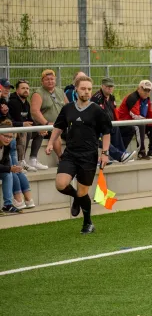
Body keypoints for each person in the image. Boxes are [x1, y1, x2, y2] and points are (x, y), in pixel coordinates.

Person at [46, 75, 112, 234]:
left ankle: (88, 222)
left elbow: (107, 132)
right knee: (61, 184)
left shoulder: (97, 110)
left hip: (88, 156)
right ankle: (76, 197)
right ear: (76, 89)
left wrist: (104, 153)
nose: (87, 92)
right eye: (83, 88)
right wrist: (50, 142)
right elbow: (58, 127)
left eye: (89, 89)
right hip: (70, 154)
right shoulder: (67, 108)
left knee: (84, 192)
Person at [91, 77, 136, 163]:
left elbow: (114, 112)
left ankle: (122, 153)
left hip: (111, 124)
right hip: (99, 127)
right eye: (108, 86)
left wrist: (117, 122)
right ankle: (120, 155)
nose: (110, 88)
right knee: (108, 131)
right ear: (102, 86)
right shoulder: (96, 98)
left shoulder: (112, 97)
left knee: (129, 128)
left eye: (111, 86)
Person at [30, 69, 67, 171]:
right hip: (47, 126)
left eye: (52, 79)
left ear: (55, 80)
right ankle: (61, 158)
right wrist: (47, 123)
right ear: (42, 81)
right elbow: (34, 112)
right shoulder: (38, 93)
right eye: (47, 79)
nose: (50, 81)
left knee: (78, 132)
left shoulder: (60, 91)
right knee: (56, 132)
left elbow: (68, 107)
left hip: (63, 123)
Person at [117, 80, 152, 160]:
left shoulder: (147, 99)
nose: (146, 92)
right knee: (141, 124)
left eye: (148, 90)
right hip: (124, 122)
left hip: (136, 121)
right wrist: (150, 121)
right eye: (144, 90)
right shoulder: (132, 98)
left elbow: (150, 113)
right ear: (139, 88)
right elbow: (136, 116)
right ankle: (141, 152)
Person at [0, 120, 34, 213]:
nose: (8, 139)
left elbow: (6, 162)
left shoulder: (7, 146)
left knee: (8, 174)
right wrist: (10, 168)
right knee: (9, 171)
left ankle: (8, 205)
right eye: (5, 136)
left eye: (10, 137)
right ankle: (24, 199)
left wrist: (11, 168)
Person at [7, 80, 38, 172]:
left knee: (39, 133)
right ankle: (21, 161)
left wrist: (39, 128)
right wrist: (23, 124)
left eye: (27, 88)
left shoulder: (26, 103)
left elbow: (30, 119)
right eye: (23, 88)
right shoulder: (13, 102)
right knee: (25, 131)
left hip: (21, 127)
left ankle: (33, 159)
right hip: (12, 128)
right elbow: (14, 121)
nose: (26, 90)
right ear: (17, 91)